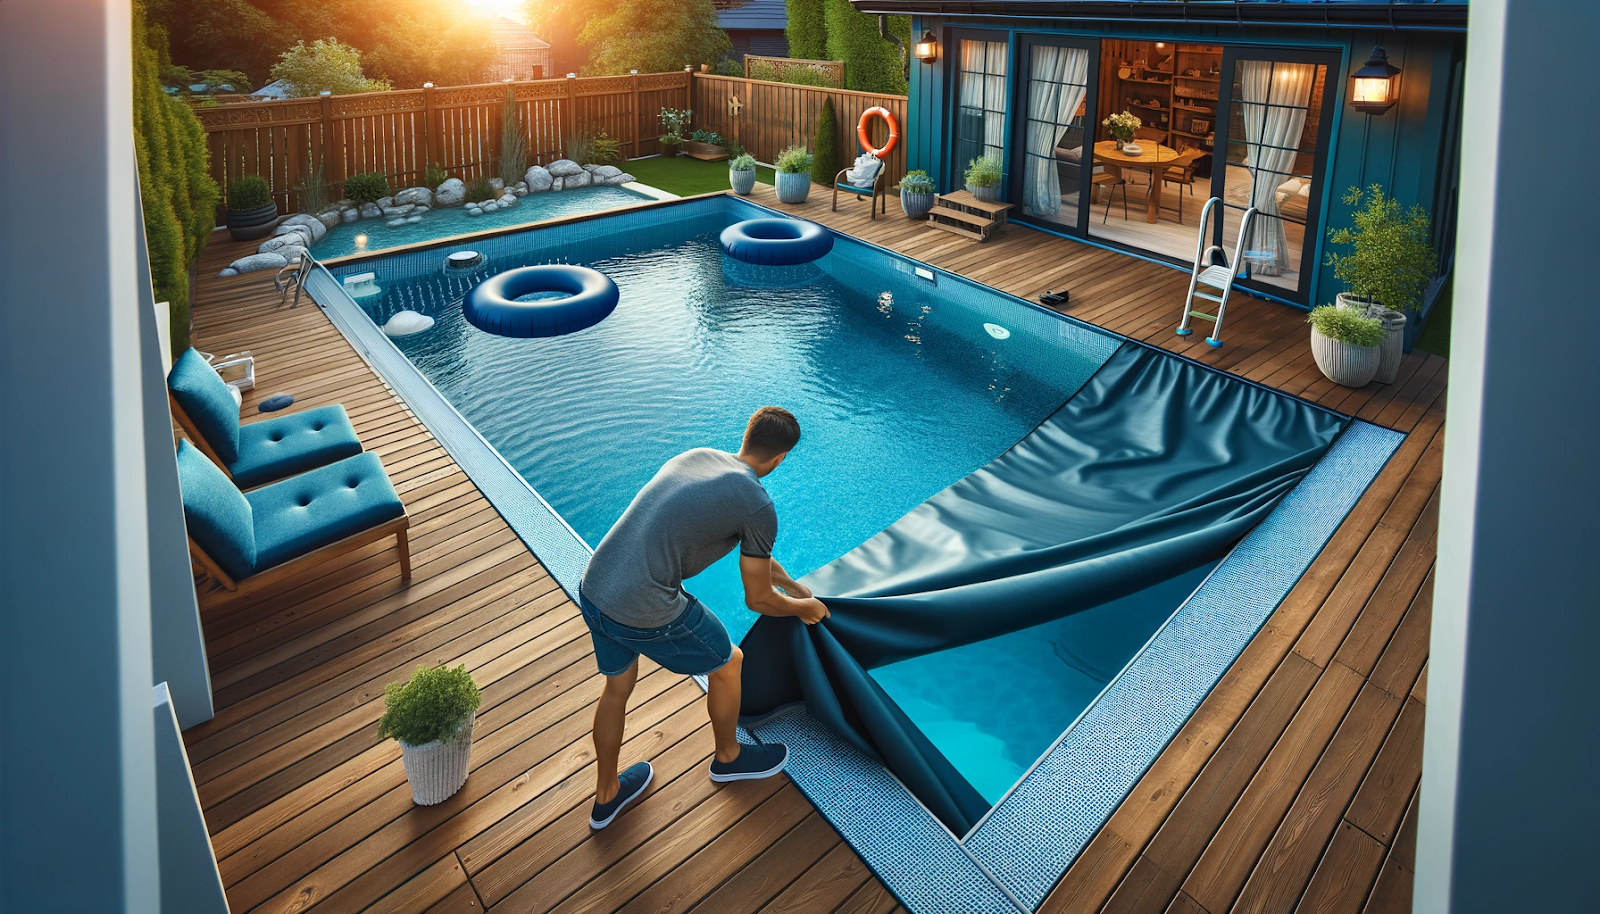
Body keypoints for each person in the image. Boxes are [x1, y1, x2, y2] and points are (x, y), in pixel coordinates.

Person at [577, 406, 830, 828]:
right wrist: (805, 608)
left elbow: (759, 559)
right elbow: (759, 599)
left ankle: (607, 797)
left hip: (595, 588)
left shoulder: (697, 457)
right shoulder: (757, 503)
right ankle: (729, 758)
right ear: (780, 459)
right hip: (645, 606)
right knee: (730, 663)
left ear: (746, 436)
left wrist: (797, 587)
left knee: (617, 687)